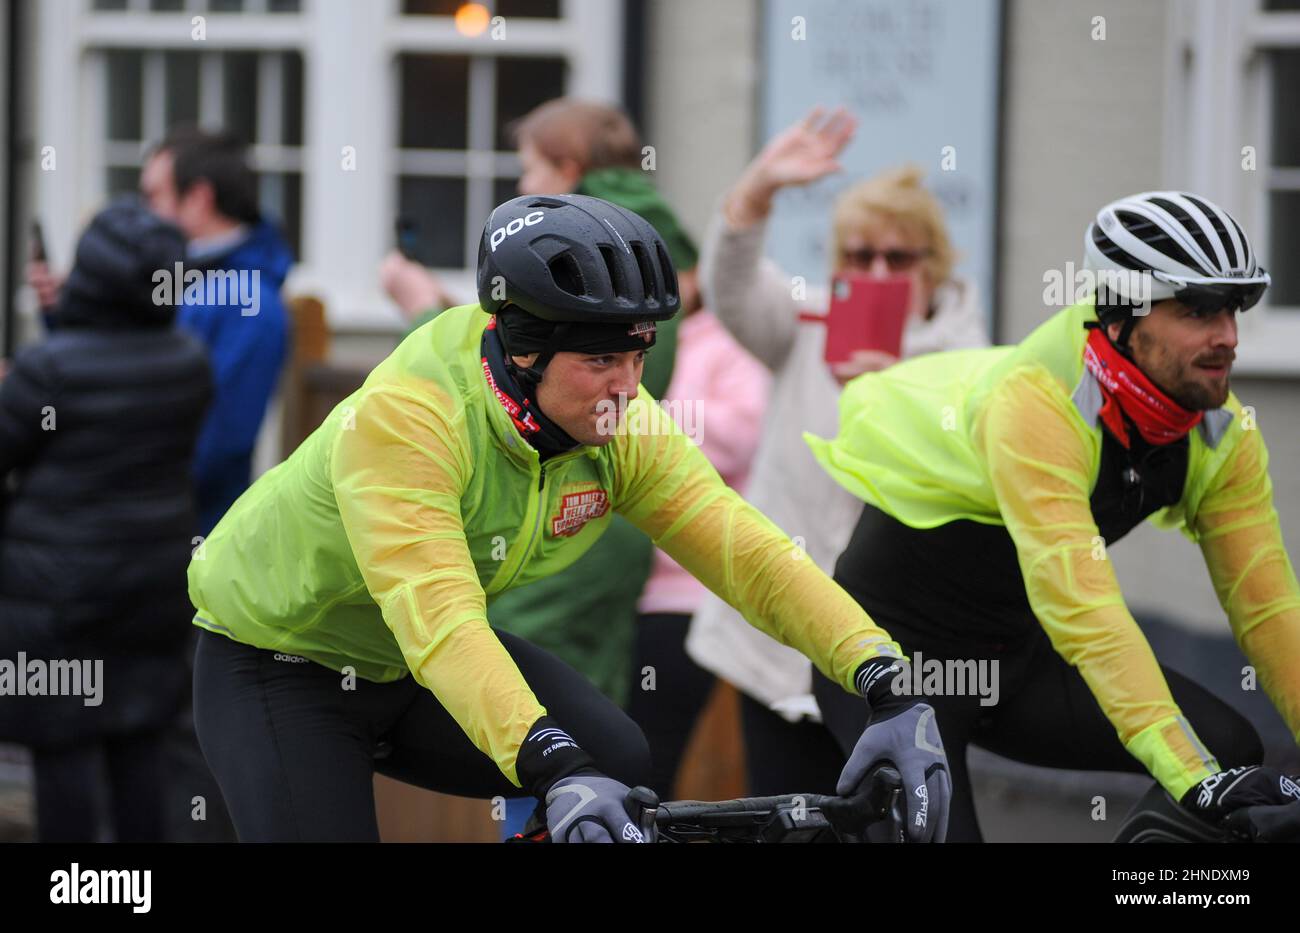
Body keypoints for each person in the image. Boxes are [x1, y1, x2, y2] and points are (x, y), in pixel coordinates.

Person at [189, 194, 951, 843]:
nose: (626, 388)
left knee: (610, 753)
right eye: (599, 363)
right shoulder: (411, 419)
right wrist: (552, 764)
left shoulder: (615, 421)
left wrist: (884, 678)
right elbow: (443, 623)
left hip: (404, 661)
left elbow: (741, 547)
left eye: (638, 356)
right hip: (281, 662)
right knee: (568, 765)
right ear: (523, 353)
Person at [807, 190, 1300, 842]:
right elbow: (1084, 606)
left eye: (1234, 310)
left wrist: (1204, 776)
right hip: (903, 667)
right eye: (1199, 310)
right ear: (1122, 314)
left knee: (1230, 750)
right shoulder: (1038, 403)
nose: (1228, 337)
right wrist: (1189, 774)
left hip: (1019, 659)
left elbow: (1268, 611)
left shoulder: (1219, 430)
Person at [686, 106, 988, 796]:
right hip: (781, 638)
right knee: (787, 809)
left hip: (890, 653)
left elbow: (954, 489)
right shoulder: (809, 323)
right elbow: (729, 287)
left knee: (888, 814)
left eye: (898, 257)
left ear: (934, 266)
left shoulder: (969, 356)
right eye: (858, 255)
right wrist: (758, 189)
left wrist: (882, 397)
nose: (877, 270)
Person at [0, 201, 212, 841]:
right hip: (152, 583)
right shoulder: (188, 365)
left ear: (88, 273)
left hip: (57, 591)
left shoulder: (48, 370)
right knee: (138, 739)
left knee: (62, 744)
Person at [630, 296, 770, 799]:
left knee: (649, 763)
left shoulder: (727, 341)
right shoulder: (616, 336)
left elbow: (740, 435)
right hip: (616, 594)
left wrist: (640, 421)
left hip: (685, 594)